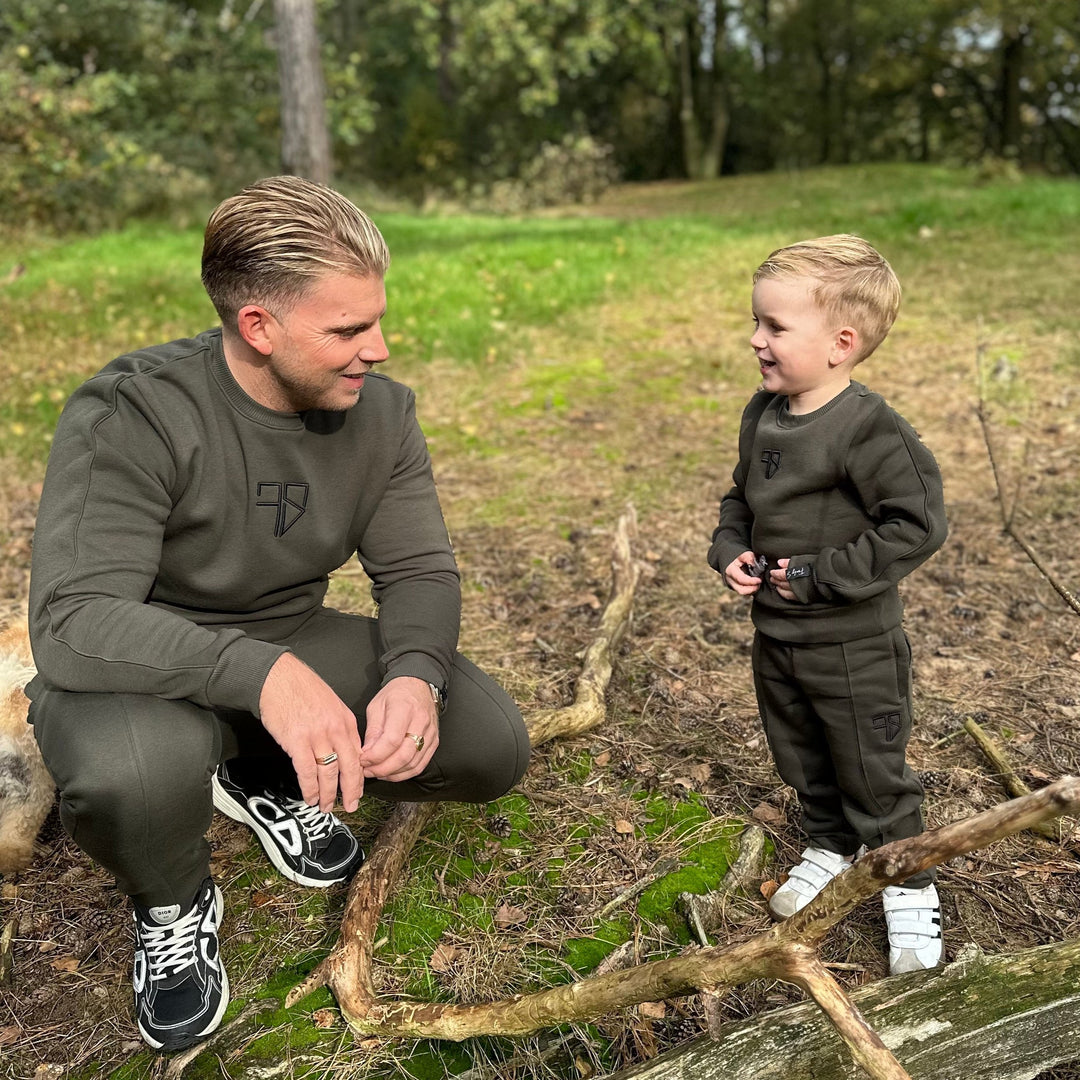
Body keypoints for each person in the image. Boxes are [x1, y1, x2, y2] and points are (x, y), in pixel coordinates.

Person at [26, 176, 530, 1051]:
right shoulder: (134, 410)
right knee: (132, 780)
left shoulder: (382, 415)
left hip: (285, 637)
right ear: (259, 327)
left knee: (486, 743)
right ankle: (175, 902)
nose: (378, 348)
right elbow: (74, 619)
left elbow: (417, 567)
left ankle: (256, 773)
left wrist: (415, 674)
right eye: (347, 330)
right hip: (137, 665)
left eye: (375, 319)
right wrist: (263, 678)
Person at [707, 234, 948, 975]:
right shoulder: (764, 413)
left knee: (870, 763)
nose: (756, 339)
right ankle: (830, 841)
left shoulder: (867, 429)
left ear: (842, 343)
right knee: (801, 748)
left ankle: (907, 879)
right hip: (777, 636)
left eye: (775, 327)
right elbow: (740, 499)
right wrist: (730, 550)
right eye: (758, 322)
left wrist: (820, 575)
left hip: (852, 642)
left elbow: (917, 524)